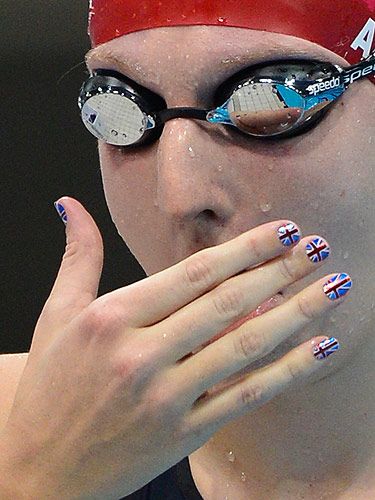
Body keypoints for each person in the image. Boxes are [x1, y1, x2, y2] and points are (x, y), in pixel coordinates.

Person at [0, 0, 374, 498]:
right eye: (122, 110)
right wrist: (38, 484)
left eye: (269, 100)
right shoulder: (16, 434)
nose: (179, 196)